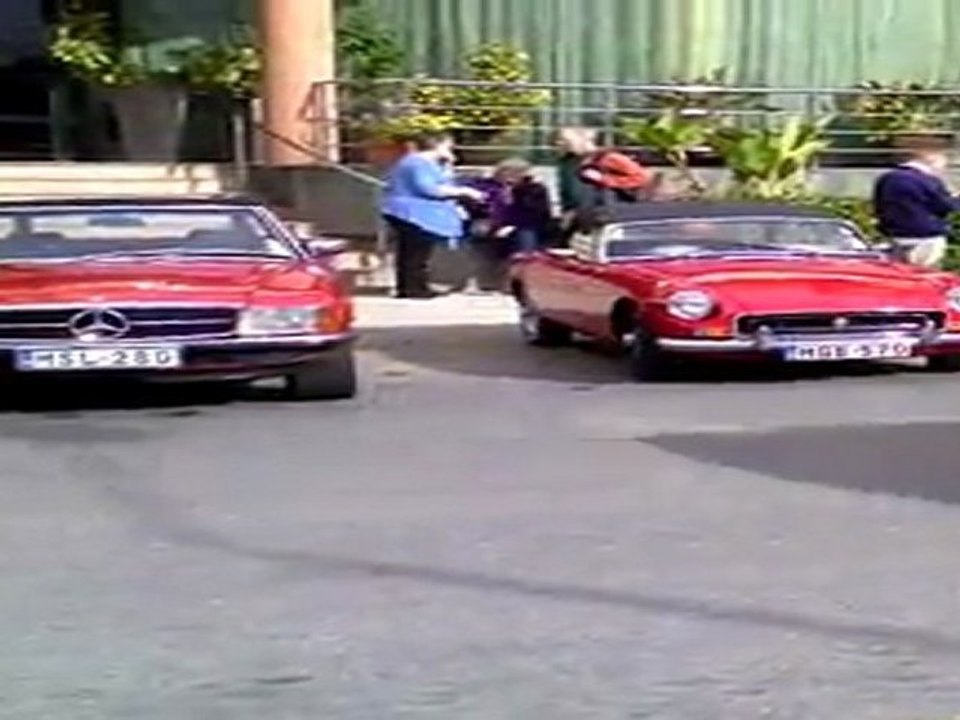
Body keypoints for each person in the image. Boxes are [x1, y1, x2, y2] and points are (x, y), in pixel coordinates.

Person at [380, 132, 484, 298]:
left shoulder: (428, 163)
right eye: (448, 146)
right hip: (410, 213)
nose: (451, 150)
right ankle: (413, 289)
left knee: (416, 253)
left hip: (414, 213)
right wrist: (464, 192)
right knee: (415, 253)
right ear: (437, 145)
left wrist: (449, 165)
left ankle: (412, 287)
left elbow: (445, 181)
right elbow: (429, 189)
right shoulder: (417, 163)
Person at [461, 158, 554, 291]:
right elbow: (475, 205)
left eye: (515, 174)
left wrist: (511, 225)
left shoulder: (534, 190)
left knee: (526, 236)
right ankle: (477, 279)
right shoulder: (486, 186)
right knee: (476, 231)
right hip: (491, 223)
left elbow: (537, 214)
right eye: (505, 173)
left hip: (523, 225)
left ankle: (522, 281)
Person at [873, 135, 960, 268]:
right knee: (925, 275)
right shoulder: (927, 180)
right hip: (926, 237)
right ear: (930, 157)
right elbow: (945, 206)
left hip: (896, 236)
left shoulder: (887, 178)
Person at [555, 127, 654, 237]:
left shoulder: (609, 158)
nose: (558, 143)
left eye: (564, 140)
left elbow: (641, 178)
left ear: (580, 139)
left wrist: (604, 179)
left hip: (608, 217)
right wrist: (567, 211)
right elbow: (566, 191)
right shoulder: (567, 163)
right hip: (581, 220)